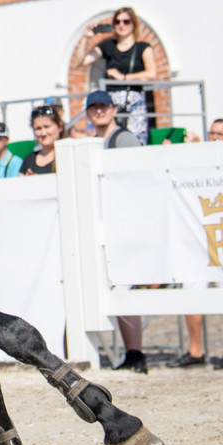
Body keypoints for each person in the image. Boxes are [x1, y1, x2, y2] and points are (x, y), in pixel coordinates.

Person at [168, 117, 223, 370]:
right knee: (191, 291)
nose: (215, 138)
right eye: (212, 133)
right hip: (198, 236)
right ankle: (195, 348)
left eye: (221, 134)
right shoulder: (198, 156)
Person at [85, 91, 148, 372]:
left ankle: (136, 352)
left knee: (125, 285)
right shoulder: (93, 142)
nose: (99, 111)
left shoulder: (123, 139)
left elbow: (136, 179)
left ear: (112, 109)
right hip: (106, 220)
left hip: (124, 220)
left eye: (103, 107)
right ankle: (129, 352)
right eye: (93, 107)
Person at [74, 7, 158, 143]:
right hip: (112, 105)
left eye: (126, 21)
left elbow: (152, 74)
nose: (121, 25)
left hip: (134, 104)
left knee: (134, 142)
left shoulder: (143, 48)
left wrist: (123, 78)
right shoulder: (108, 46)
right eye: (117, 22)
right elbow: (80, 62)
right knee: (110, 141)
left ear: (133, 24)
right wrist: (85, 37)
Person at [20, 105, 65, 175]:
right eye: (38, 128)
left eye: (47, 127)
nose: (43, 133)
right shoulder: (29, 159)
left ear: (60, 126)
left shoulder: (67, 156)